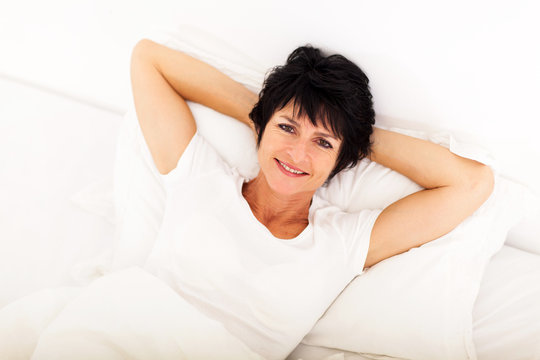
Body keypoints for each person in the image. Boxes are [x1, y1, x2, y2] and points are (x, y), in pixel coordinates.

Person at [129, 39, 494, 359]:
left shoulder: (341, 242)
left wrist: (354, 136)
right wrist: (264, 113)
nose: (296, 154)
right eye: (287, 128)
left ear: (343, 159)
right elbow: (149, 59)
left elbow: (471, 183)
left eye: (323, 143)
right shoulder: (200, 177)